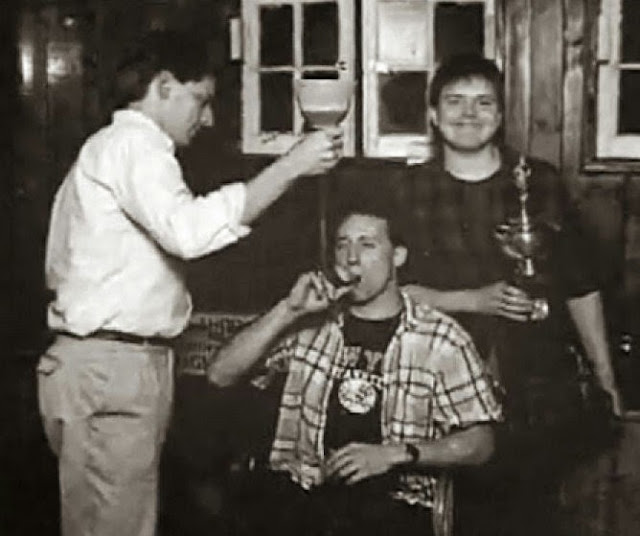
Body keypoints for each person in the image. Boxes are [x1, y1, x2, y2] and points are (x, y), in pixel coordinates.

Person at [36, 30, 343, 536]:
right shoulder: (134, 145)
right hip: (112, 369)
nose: (209, 118)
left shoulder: (113, 150)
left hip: (109, 366)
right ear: (163, 86)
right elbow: (189, 232)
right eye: (200, 100)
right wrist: (292, 165)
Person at [393, 53, 621, 534]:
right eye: (454, 101)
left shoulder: (540, 182)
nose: (468, 114)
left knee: (535, 514)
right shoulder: (408, 189)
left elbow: (580, 284)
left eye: (483, 102)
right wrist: (472, 300)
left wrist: (605, 378)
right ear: (433, 114)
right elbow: (386, 292)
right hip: (442, 385)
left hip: (538, 385)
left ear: (500, 116)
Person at [208, 196, 503, 536]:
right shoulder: (310, 325)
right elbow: (220, 374)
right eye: (342, 245)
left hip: (394, 507)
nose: (351, 258)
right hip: (305, 499)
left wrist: (394, 455)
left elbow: (482, 442)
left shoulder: (441, 338)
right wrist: (288, 310)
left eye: (367, 245)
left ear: (397, 256)